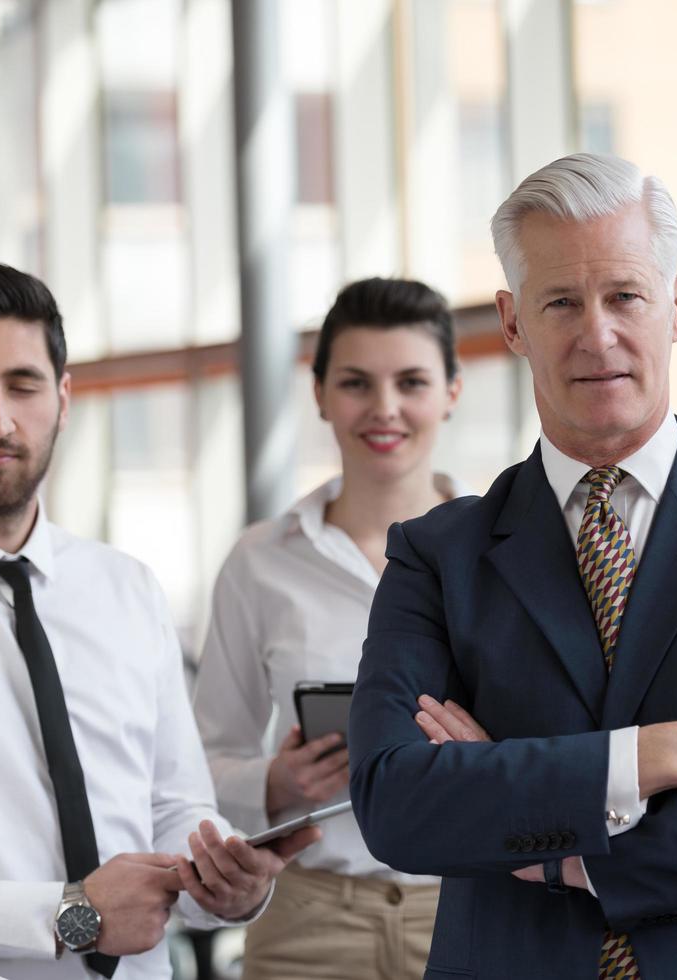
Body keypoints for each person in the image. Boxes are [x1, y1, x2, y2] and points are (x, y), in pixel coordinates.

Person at [346, 152, 677, 980]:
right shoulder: (436, 556)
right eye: (560, 301)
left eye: (624, 296)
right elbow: (397, 805)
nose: (595, 334)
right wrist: (655, 756)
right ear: (512, 323)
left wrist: (569, 855)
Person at [0, 261, 317, 979]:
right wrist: (69, 914)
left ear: (64, 398)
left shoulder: (126, 589)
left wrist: (228, 884)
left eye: (23, 384)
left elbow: (173, 809)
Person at [193, 277, 469, 980]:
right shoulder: (260, 562)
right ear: (318, 395)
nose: (384, 409)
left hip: (474, 909)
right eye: (355, 383)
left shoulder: (508, 553)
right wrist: (276, 782)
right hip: (308, 922)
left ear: (450, 391)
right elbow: (198, 764)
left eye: (410, 381)